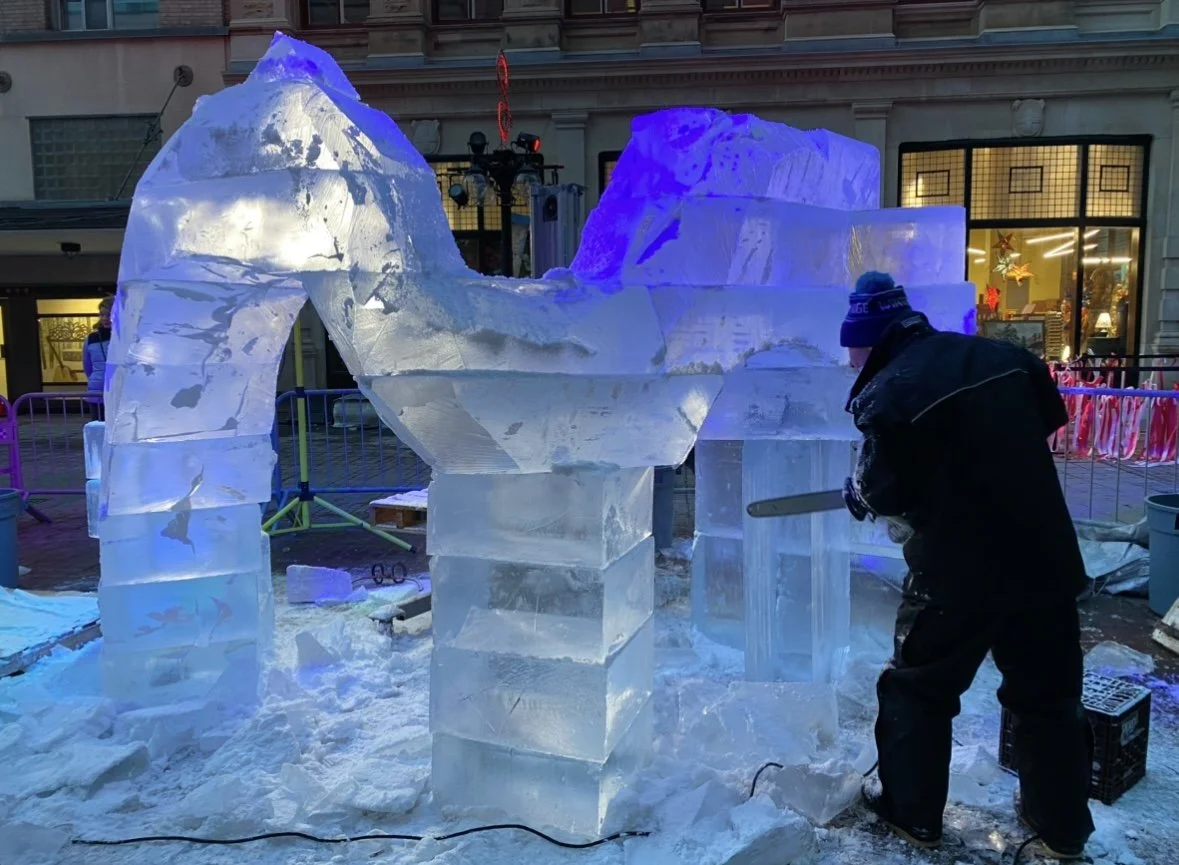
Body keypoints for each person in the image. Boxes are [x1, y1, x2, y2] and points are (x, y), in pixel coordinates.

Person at [839, 272, 1094, 861]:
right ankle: (1062, 828)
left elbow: (883, 489)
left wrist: (862, 493)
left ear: (872, 339)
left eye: (852, 347)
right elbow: (1040, 425)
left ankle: (912, 814)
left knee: (917, 690)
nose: (851, 360)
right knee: (1048, 698)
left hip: (957, 574)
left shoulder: (890, 390)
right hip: (1045, 559)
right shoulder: (1005, 358)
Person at [83, 296, 113, 421]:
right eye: (102, 315)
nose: (105, 318)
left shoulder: (90, 339)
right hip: (101, 388)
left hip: (100, 387)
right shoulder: (90, 338)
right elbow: (87, 365)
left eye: (108, 314)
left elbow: (87, 367)